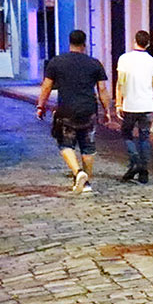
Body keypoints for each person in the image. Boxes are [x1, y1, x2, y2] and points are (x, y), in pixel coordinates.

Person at [35, 30, 111, 193]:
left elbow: (46, 86)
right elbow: (102, 89)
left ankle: (78, 172)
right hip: (88, 110)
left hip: (66, 111)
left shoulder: (56, 62)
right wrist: (107, 110)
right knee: (88, 147)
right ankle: (87, 183)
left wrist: (41, 106)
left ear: (69, 43)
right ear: (84, 44)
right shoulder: (94, 63)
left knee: (65, 144)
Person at [116, 30, 153, 184]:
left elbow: (120, 83)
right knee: (144, 138)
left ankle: (136, 161)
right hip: (147, 105)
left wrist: (118, 102)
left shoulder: (124, 59)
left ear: (134, 40)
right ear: (148, 43)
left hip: (130, 105)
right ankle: (144, 172)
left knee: (126, 133)